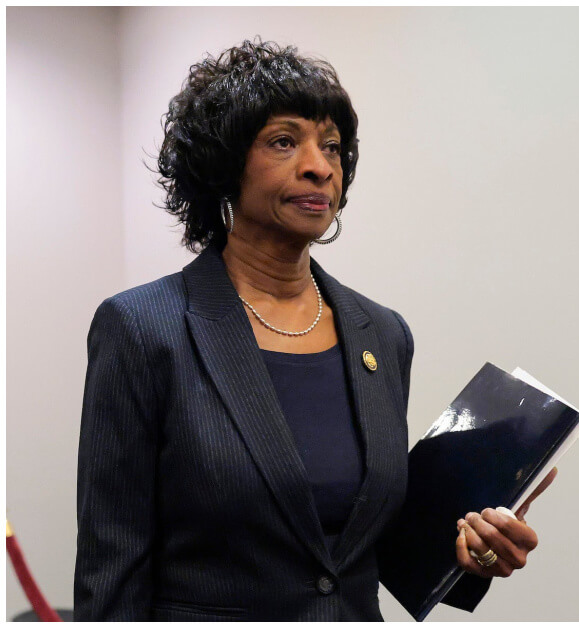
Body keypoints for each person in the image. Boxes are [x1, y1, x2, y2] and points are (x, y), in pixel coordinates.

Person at [74, 40, 552, 621]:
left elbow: (361, 550)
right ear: (225, 164)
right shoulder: (142, 329)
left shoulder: (381, 332)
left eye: (332, 146)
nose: (319, 166)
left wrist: (471, 550)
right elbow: (112, 570)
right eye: (284, 141)